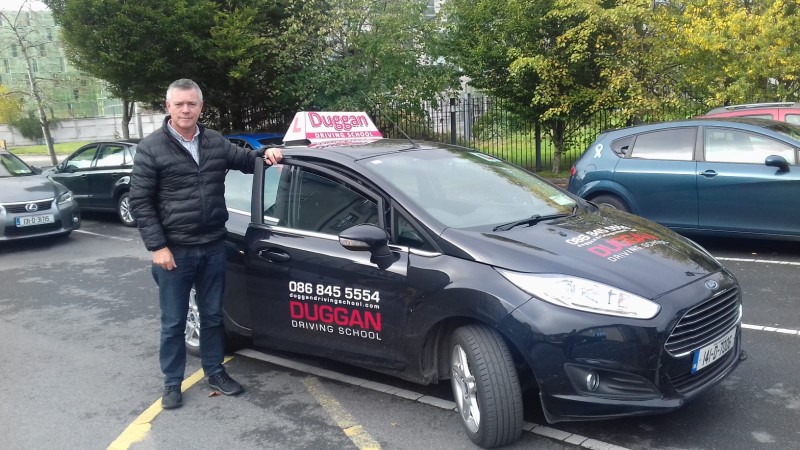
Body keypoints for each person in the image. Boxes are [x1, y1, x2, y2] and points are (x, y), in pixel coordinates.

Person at [130, 78, 282, 409]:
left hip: (212, 245)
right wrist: (157, 247)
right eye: (179, 104)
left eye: (192, 104)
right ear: (168, 107)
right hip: (175, 251)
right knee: (174, 321)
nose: (186, 110)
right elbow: (140, 201)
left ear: (201, 107)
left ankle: (214, 371)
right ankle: (172, 382)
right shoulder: (151, 148)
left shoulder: (213, 141)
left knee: (213, 316)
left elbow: (244, 160)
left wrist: (265, 153)